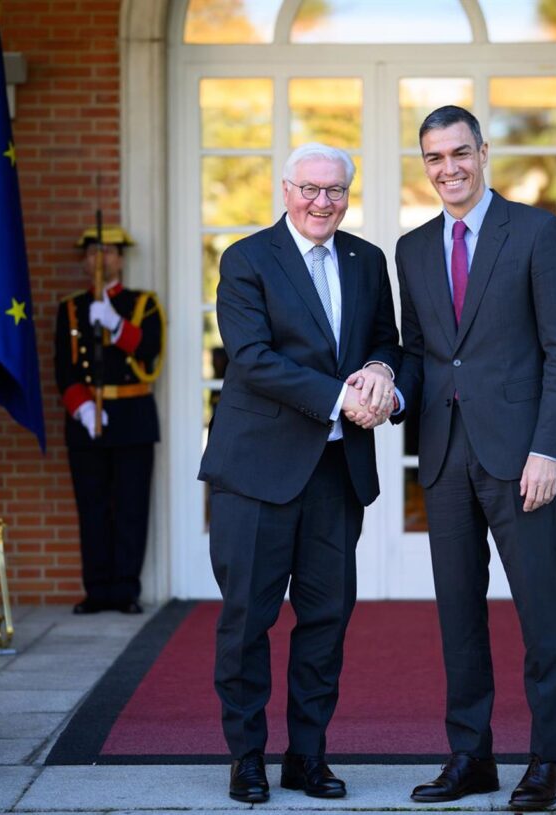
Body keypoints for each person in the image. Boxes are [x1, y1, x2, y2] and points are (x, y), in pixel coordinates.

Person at [394, 106, 556, 811]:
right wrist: (386, 392)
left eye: (460, 152)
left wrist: (549, 449)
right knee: (458, 618)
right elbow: (419, 353)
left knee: (539, 612)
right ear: (426, 165)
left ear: (483, 153)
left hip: (521, 459)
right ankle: (471, 755)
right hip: (443, 458)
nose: (449, 168)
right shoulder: (411, 250)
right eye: (435, 157)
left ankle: (547, 760)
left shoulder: (536, 231)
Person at [197, 143, 400, 804]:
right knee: (247, 620)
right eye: (310, 189)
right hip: (256, 473)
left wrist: (380, 371)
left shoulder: (367, 260)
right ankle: (246, 756)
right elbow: (251, 358)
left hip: (335, 473)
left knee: (325, 619)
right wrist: (343, 396)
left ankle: (307, 755)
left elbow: (386, 338)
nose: (322, 202)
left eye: (335, 190)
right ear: (286, 190)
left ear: (348, 193)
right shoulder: (248, 259)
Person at [53, 225, 163, 615]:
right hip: (86, 421)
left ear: (120, 258)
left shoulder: (142, 304)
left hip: (132, 417)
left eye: (108, 251)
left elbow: (150, 351)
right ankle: (97, 590)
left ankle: (124, 590)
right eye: (92, 252)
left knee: (131, 508)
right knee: (93, 508)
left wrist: (116, 326)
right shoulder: (70, 308)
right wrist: (82, 407)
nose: (100, 259)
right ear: (85, 260)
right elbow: (64, 369)